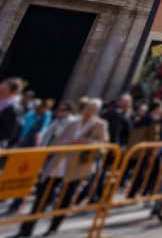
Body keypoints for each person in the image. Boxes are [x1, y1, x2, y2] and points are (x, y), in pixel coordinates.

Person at [17, 98, 108, 236]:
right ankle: (27, 228)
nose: (88, 110)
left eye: (92, 108)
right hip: (59, 162)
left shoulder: (100, 125)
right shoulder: (73, 122)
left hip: (77, 167)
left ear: (97, 111)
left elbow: (103, 144)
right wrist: (65, 144)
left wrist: (86, 142)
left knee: (65, 199)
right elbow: (58, 140)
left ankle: (53, 228)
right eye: (87, 107)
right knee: (42, 195)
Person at [0, 77, 26, 147]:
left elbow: (9, 134)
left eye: (3, 90)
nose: (0, 90)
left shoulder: (14, 109)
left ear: (12, 92)